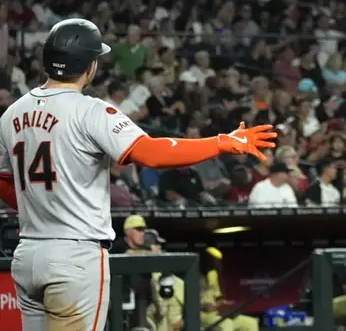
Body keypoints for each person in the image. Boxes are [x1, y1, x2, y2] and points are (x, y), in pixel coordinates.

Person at [0, 18, 277, 330]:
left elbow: (3, 180)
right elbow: (150, 153)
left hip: (28, 255)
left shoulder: (12, 113)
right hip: (75, 255)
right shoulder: (89, 110)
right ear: (90, 65)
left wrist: (37, 205)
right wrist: (221, 143)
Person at [199, 247, 259, 331]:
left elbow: (217, 297)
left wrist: (223, 303)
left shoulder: (213, 275)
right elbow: (184, 304)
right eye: (217, 261)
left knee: (250, 323)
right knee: (225, 323)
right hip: (200, 315)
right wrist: (202, 307)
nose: (220, 264)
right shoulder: (192, 276)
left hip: (215, 313)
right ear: (208, 261)